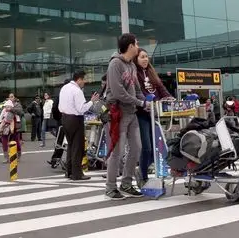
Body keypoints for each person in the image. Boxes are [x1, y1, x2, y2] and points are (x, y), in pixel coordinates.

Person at [104, 33, 148, 199]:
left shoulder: (131, 66)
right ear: (130, 46)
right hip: (118, 113)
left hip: (131, 113)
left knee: (136, 148)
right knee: (118, 151)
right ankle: (110, 187)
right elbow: (118, 92)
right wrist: (140, 102)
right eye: (136, 44)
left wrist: (145, 102)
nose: (138, 47)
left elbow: (136, 90)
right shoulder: (115, 64)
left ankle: (127, 183)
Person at [134, 48, 170, 185]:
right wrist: (147, 102)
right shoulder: (135, 74)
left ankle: (142, 170)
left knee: (157, 146)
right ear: (136, 59)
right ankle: (142, 175)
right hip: (141, 114)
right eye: (142, 57)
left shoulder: (151, 73)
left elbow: (161, 89)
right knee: (147, 147)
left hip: (154, 114)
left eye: (146, 56)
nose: (145, 59)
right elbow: (139, 94)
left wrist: (168, 98)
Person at [59, 71, 99, 180]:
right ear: (79, 79)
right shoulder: (77, 91)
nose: (85, 82)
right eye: (84, 79)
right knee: (78, 147)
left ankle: (69, 172)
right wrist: (92, 101)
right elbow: (82, 109)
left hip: (65, 118)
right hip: (75, 119)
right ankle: (77, 174)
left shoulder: (64, 88)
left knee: (71, 146)